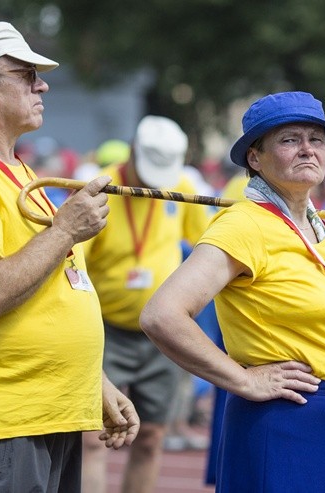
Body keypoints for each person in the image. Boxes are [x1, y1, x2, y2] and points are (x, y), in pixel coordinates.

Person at [140, 91, 325, 492]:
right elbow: (161, 315)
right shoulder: (244, 224)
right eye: (290, 140)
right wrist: (242, 380)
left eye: (316, 139)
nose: (308, 149)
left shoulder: (316, 228)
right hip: (286, 427)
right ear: (255, 159)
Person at [0, 22, 140, 492]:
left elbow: (50, 289)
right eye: (26, 74)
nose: (43, 84)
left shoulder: (15, 170)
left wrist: (93, 382)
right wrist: (65, 230)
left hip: (38, 411)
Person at [81, 115, 210, 493]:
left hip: (161, 334)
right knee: (93, 437)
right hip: (106, 331)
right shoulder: (99, 187)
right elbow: (75, 257)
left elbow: (209, 244)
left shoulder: (180, 187)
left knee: (152, 437)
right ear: (133, 151)